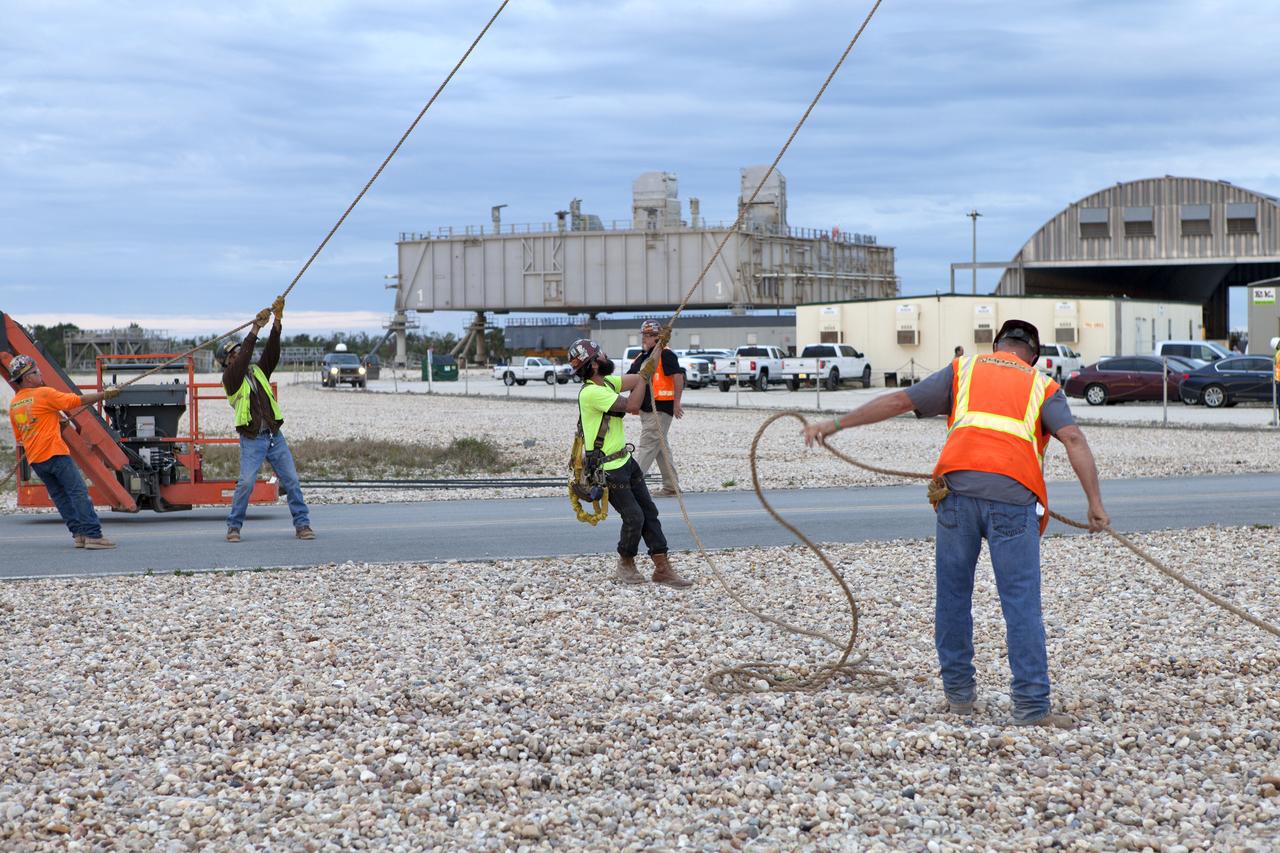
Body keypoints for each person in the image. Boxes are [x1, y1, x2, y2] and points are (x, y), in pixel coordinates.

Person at [802, 319, 1109, 729]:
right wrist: (1094, 505)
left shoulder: (963, 369)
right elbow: (1073, 439)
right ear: (1034, 355)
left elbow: (898, 401)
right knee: (1021, 605)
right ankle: (1032, 708)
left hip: (955, 496)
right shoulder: (1042, 386)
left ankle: (960, 697)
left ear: (996, 344)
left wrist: (832, 425)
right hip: (1014, 501)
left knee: (952, 596)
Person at [569, 338, 691, 588]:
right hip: (608, 470)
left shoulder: (607, 383)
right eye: (600, 354)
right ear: (593, 365)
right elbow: (633, 405)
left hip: (625, 461)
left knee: (649, 512)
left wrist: (657, 350)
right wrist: (645, 377)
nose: (605, 356)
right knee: (634, 517)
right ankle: (626, 563)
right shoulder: (593, 393)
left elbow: (636, 378)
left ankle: (662, 568)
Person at [218, 297, 314, 542]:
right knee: (246, 483)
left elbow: (272, 352)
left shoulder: (258, 371)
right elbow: (242, 362)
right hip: (252, 439)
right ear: (226, 362)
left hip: (273, 436)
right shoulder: (231, 379)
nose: (238, 354)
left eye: (239, 350)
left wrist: (277, 323)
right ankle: (234, 527)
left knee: (291, 480)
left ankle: (302, 525)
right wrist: (255, 329)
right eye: (233, 354)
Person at [4, 353, 121, 549]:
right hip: (55, 454)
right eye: (36, 371)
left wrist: (53, 424)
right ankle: (93, 535)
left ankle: (79, 535)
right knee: (78, 493)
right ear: (27, 378)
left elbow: (21, 437)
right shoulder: (43, 394)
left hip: (37, 460)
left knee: (61, 497)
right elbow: (74, 401)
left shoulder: (15, 404)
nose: (40, 374)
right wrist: (105, 395)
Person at [626, 319, 685, 497]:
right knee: (660, 447)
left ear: (658, 337)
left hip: (660, 409)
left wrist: (676, 403)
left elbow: (678, 377)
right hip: (647, 410)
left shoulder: (665, 355)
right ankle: (671, 486)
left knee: (647, 445)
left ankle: (631, 486)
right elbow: (631, 379)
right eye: (643, 335)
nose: (644, 338)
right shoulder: (642, 357)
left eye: (649, 335)